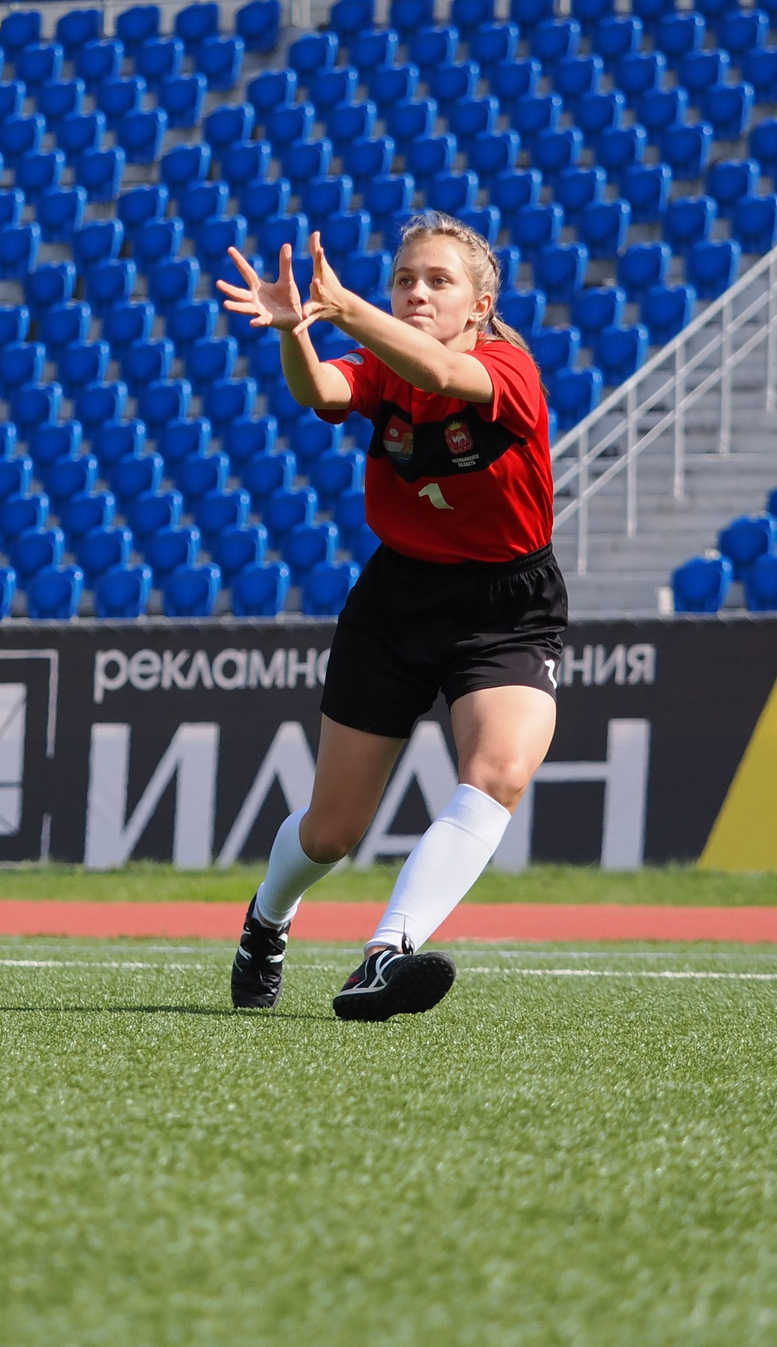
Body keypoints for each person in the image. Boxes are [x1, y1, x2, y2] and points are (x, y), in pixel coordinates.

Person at [215, 214, 565, 1021]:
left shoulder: (508, 368)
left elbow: (441, 370)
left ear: (481, 305)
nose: (417, 292)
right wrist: (295, 331)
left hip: (507, 604)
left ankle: (386, 952)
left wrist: (342, 307)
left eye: (438, 280)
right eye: (406, 278)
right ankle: (267, 918)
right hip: (396, 600)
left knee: (499, 772)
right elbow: (320, 391)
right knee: (331, 831)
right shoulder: (382, 367)